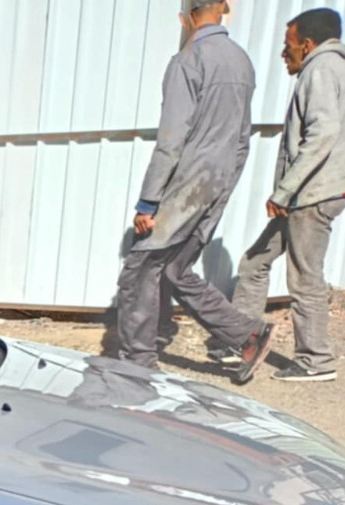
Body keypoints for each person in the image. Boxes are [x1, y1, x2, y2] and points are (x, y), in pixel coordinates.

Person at [112, 0, 273, 383]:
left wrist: (149, 200)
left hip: (186, 183)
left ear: (185, 18)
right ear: (224, 9)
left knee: (139, 271)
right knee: (175, 268)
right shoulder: (242, 62)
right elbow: (241, 139)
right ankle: (247, 334)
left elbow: (171, 139)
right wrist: (223, 188)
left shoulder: (187, 61)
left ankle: (135, 366)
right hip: (217, 181)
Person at [228, 8, 345, 383]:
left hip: (311, 195)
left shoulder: (320, 71)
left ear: (307, 44)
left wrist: (286, 191)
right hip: (315, 191)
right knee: (255, 262)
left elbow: (322, 135)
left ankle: (315, 360)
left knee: (305, 278)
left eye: (288, 46)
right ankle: (240, 338)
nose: (283, 54)